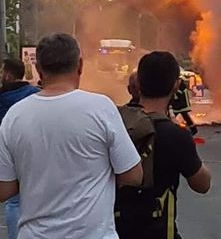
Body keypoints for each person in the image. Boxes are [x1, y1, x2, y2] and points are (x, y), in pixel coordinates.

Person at [0, 33, 143, 239]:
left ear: (38, 69)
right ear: (80, 65)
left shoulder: (15, 115)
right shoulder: (101, 108)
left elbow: (4, 189)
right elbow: (133, 175)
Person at [115, 51, 211, 239]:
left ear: (138, 85)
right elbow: (202, 184)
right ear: (176, 87)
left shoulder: (113, 123)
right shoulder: (175, 134)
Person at [0, 59, 40, 239]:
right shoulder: (34, 94)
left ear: (8, 75)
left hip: (7, 153)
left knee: (13, 201)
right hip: (33, 151)